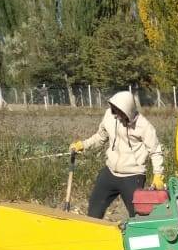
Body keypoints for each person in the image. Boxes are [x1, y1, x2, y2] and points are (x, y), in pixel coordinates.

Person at [70, 91, 165, 219]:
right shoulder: (109, 116)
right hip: (110, 172)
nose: (115, 115)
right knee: (94, 210)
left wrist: (158, 174)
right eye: (113, 110)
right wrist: (83, 145)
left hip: (133, 175)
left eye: (118, 111)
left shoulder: (144, 126)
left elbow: (156, 151)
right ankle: (94, 235)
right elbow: (100, 137)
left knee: (139, 216)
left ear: (128, 111)